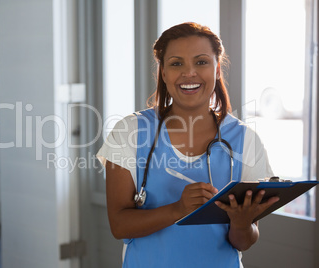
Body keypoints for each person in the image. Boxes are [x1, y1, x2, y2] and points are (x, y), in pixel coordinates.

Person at [97, 22, 279, 267]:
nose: (189, 73)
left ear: (217, 69)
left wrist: (241, 222)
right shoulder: (130, 131)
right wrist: (177, 209)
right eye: (176, 63)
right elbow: (119, 225)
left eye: (201, 62)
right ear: (163, 73)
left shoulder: (246, 141)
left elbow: (243, 241)